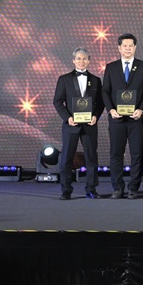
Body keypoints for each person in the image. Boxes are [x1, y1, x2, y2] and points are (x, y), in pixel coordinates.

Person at [102, 33, 143, 199]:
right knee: (116, 154)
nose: (128, 48)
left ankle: (133, 188)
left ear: (135, 47)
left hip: (137, 119)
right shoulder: (111, 67)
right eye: (125, 46)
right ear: (119, 48)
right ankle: (117, 188)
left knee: (137, 154)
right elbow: (105, 91)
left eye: (131, 46)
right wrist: (111, 110)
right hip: (116, 119)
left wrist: (141, 109)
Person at [52, 47, 105, 200]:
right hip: (71, 125)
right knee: (66, 158)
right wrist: (67, 118)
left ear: (89, 61)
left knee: (91, 158)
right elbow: (57, 101)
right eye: (79, 58)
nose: (81, 61)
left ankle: (91, 189)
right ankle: (66, 190)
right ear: (73, 60)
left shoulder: (96, 80)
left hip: (90, 125)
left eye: (84, 59)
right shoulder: (64, 79)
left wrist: (96, 116)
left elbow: (100, 103)